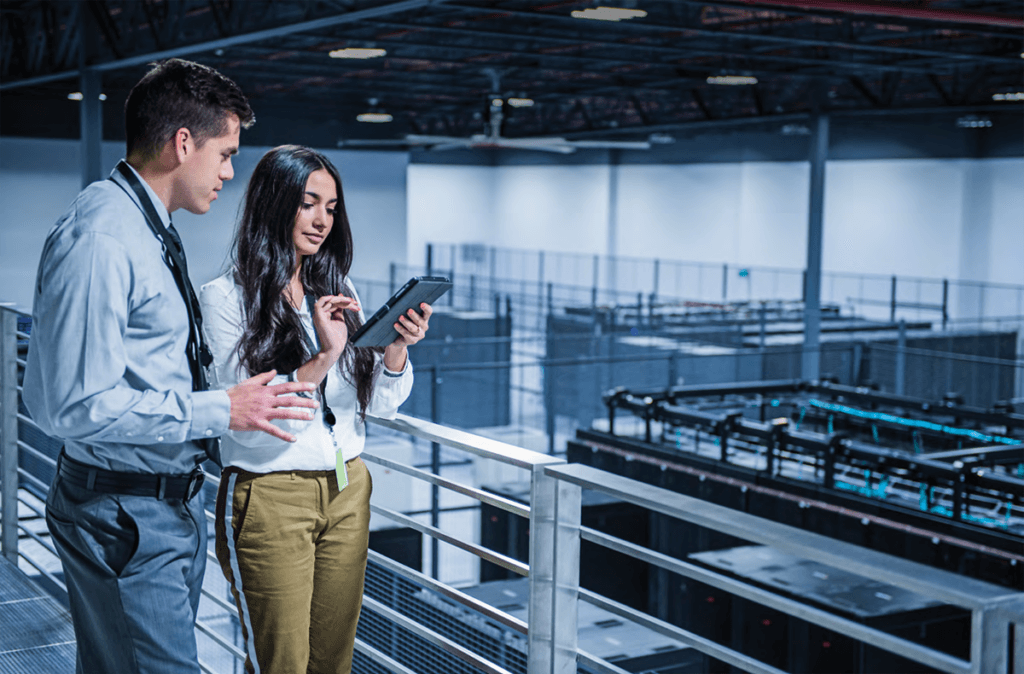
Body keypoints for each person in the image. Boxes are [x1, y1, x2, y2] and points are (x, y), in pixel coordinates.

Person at [22, 60, 320, 674]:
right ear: (183, 144)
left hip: (158, 507)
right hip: (126, 515)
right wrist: (223, 407)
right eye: (225, 153)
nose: (229, 173)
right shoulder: (104, 236)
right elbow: (70, 405)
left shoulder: (146, 225)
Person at [199, 145, 432, 674]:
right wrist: (325, 355)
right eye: (309, 203)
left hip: (347, 488)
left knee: (333, 662)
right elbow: (255, 426)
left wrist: (395, 348)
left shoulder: (336, 287)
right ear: (275, 203)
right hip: (271, 496)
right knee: (282, 664)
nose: (323, 219)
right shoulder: (225, 299)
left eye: (331, 206)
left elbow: (383, 404)